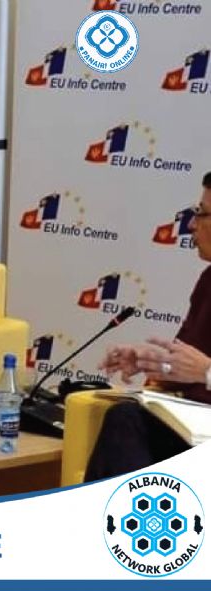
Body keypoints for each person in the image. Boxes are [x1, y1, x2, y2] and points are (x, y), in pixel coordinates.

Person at [86, 171, 211, 481]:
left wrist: (207, 372)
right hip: (194, 429)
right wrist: (153, 363)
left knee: (126, 421)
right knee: (125, 418)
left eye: (203, 214)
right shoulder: (208, 282)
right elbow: (185, 365)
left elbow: (200, 369)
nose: (192, 225)